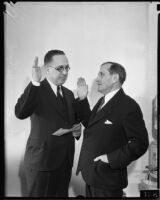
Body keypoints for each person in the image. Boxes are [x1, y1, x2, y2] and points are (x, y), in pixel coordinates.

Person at [15, 50, 89, 197]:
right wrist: (35, 82)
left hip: (64, 161)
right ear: (47, 70)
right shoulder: (37, 88)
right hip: (42, 162)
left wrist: (82, 99)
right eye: (60, 68)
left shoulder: (68, 93)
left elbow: (79, 121)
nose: (65, 72)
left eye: (67, 68)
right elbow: (20, 112)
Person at [76, 61, 149, 197]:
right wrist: (82, 99)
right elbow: (91, 125)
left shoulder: (129, 106)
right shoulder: (101, 101)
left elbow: (140, 143)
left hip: (107, 180)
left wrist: (110, 158)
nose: (97, 78)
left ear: (115, 78)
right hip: (91, 176)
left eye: (101, 74)